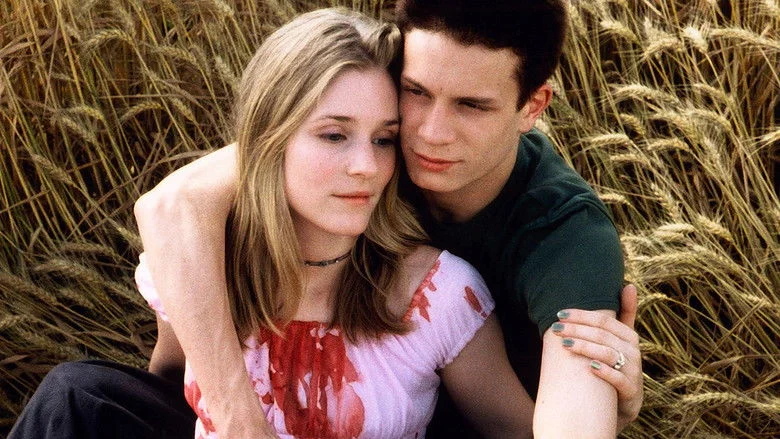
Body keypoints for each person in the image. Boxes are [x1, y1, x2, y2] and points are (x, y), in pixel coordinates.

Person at [10, 8, 537, 439]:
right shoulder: (202, 267)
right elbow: (168, 393)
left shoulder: (436, 296)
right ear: (269, 139)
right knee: (75, 395)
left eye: (383, 139)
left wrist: (595, 380)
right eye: (334, 135)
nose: (366, 166)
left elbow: (519, 432)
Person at [135, 1, 643, 438]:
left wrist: (608, 411)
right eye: (416, 91)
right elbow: (171, 206)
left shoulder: (566, 235)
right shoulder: (367, 141)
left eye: (471, 105)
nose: (430, 133)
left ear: (532, 106)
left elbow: (569, 419)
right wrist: (240, 421)